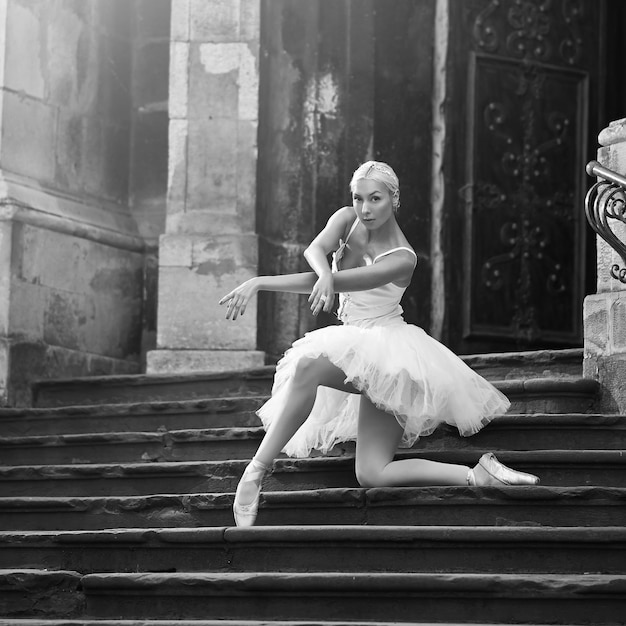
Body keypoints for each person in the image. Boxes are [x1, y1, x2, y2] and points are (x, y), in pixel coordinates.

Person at [220, 160, 539, 527]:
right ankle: (476, 474)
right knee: (371, 473)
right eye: (359, 198)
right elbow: (315, 254)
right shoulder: (346, 218)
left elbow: (339, 283)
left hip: (391, 356)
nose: (365, 208)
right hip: (358, 346)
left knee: (315, 376)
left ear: (395, 199)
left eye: (375, 199)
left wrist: (326, 277)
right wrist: (265, 281)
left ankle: (255, 471)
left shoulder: (403, 259)